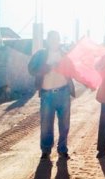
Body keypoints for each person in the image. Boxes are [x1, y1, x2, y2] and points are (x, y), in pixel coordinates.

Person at [28, 31, 75, 160]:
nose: (54, 41)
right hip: (47, 95)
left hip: (63, 93)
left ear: (59, 40)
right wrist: (47, 68)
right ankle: (46, 151)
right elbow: (31, 69)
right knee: (46, 125)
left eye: (56, 38)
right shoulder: (41, 54)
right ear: (47, 40)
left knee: (64, 124)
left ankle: (62, 149)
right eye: (51, 38)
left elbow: (73, 70)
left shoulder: (64, 54)